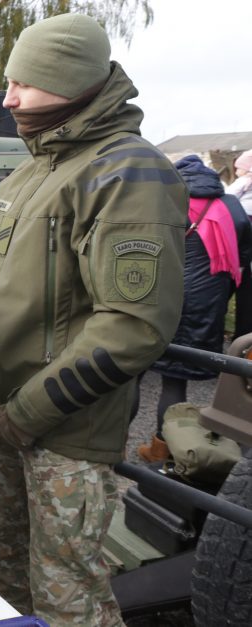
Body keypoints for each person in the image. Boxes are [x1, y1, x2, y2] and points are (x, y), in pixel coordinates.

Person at [0, 13, 187, 625]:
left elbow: (134, 325)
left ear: (72, 82)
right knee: (1, 556)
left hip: (65, 431)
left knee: (69, 594)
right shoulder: (37, 166)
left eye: (24, 84)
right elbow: (5, 286)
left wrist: (29, 411)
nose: (7, 98)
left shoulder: (127, 171)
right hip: (2, 416)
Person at [137, 155, 250, 462]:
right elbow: (243, 255)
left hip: (158, 296)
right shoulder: (230, 205)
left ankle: (143, 448)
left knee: (131, 372)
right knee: (176, 378)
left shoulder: (163, 199)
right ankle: (168, 447)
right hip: (205, 301)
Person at [227, 149, 252, 338]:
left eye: (239, 168)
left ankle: (242, 337)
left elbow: (227, 197)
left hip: (242, 239)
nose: (236, 172)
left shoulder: (243, 183)